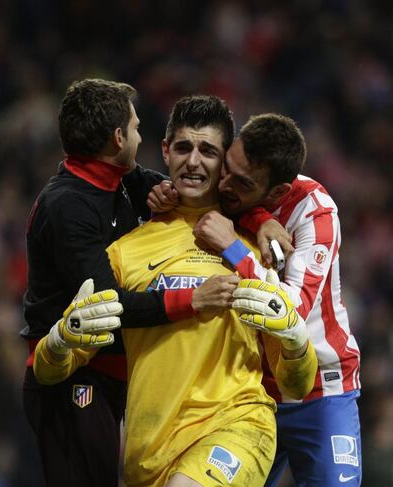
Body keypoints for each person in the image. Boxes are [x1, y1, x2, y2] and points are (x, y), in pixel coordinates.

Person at [34, 95, 318, 486]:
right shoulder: (125, 251)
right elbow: (53, 371)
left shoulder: (253, 248)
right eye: (183, 147)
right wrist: (60, 341)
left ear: (224, 165)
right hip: (148, 452)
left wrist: (295, 338)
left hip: (237, 425)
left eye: (208, 151)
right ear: (166, 152)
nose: (194, 161)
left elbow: (296, 383)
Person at [21, 79, 235, 487]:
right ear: (118, 137)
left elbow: (184, 188)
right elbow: (108, 307)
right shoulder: (68, 206)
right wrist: (191, 300)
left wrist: (165, 190)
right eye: (136, 128)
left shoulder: (115, 179)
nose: (141, 136)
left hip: (116, 375)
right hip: (72, 375)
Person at [190, 113, 362, 486]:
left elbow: (292, 312)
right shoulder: (227, 194)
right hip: (248, 392)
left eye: (242, 182)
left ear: (279, 192)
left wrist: (235, 249)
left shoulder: (316, 214)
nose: (223, 184)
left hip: (320, 391)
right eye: (226, 169)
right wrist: (256, 216)